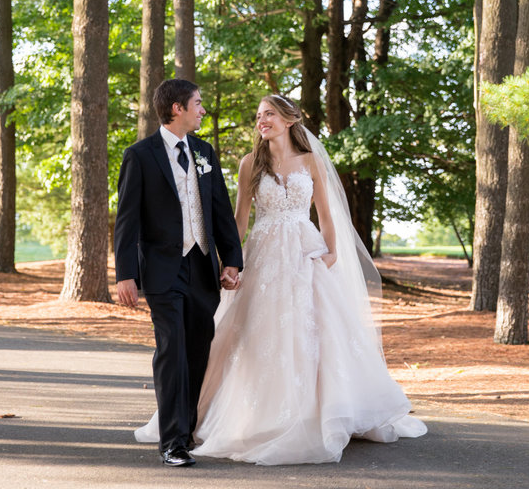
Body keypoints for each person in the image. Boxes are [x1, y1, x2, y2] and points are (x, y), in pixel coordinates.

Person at [137, 93, 426, 464]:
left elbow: (326, 212)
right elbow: (238, 219)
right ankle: (230, 415)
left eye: (269, 114)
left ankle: (320, 412)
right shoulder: (249, 164)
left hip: (305, 253)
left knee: (317, 330)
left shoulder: (310, 161)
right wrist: (232, 262)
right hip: (264, 253)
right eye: (259, 115)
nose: (262, 120)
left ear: (289, 119)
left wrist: (332, 250)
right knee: (256, 332)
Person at [114, 79, 244, 468]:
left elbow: (220, 209)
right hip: (162, 271)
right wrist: (125, 275)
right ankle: (172, 442)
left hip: (202, 267)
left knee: (197, 351)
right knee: (171, 350)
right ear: (177, 108)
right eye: (198, 104)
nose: (203, 110)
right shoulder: (140, 156)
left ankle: (185, 432)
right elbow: (127, 221)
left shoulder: (205, 153)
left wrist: (232, 259)